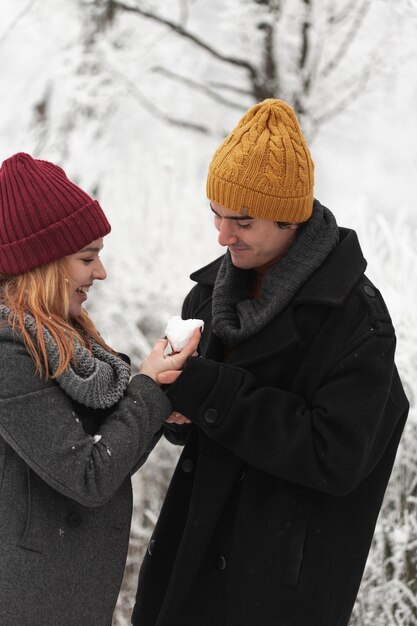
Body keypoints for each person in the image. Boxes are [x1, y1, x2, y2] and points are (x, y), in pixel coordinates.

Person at [131, 99, 409, 626]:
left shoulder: (356, 320)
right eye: (215, 213)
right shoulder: (210, 295)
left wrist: (212, 394)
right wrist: (177, 411)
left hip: (277, 588)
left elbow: (337, 456)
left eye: (242, 220)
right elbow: (207, 426)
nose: (222, 235)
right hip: (189, 563)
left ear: (291, 218)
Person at [0, 152, 199, 626]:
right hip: (29, 602)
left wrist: (157, 404)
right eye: (87, 258)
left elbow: (104, 444)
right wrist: (147, 390)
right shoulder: (9, 352)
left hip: (63, 594)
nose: (101, 274)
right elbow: (88, 475)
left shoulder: (63, 335)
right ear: (42, 264)